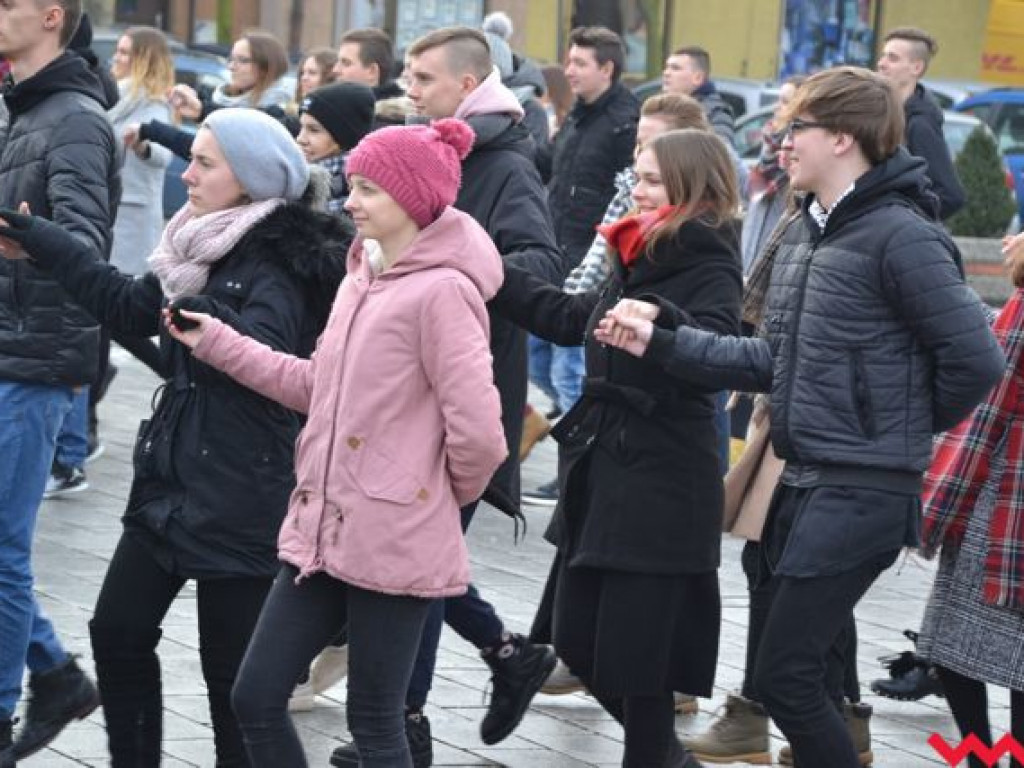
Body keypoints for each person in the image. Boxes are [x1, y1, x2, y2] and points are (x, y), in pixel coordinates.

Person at [594, 66, 1005, 768]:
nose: (780, 142)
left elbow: (978, 361)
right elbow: (767, 361)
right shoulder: (810, 232)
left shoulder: (902, 235)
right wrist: (663, 342)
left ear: (844, 138)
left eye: (797, 128)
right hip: (809, 480)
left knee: (786, 676)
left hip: (863, 488)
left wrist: (892, 426)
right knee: (790, 675)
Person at [0, 107, 351, 766]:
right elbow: (134, 307)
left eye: (205, 163)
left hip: (243, 488)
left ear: (248, 180)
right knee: (118, 632)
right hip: (174, 476)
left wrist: (206, 316)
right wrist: (46, 242)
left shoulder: (279, 259)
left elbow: (270, 357)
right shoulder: (198, 240)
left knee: (231, 681)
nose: (186, 172)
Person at [167, 118, 507, 768]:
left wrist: (422, 495)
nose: (350, 202)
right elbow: (313, 385)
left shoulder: (443, 292)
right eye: (352, 186)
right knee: (257, 694)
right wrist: (214, 341)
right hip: (321, 528)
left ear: (412, 200)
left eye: (368, 190)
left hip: (392, 539)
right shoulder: (361, 276)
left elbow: (482, 437)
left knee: (376, 725)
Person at [329, 25, 564, 768]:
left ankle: (404, 726)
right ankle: (504, 654)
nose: (409, 89)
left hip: (458, 389)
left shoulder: (506, 164)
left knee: (410, 565)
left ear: (468, 85)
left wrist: (452, 275)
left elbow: (534, 265)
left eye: (423, 78)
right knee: (408, 557)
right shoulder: (425, 148)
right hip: (399, 388)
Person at [494, 127, 743, 768]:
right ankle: (668, 759)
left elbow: (716, 345)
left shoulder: (704, 252)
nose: (638, 187)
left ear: (692, 185)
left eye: (654, 178)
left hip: (661, 481)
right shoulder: (638, 246)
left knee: (641, 665)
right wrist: (495, 275)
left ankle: (656, 757)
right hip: (608, 470)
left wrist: (660, 323)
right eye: (638, 174)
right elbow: (572, 318)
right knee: (576, 640)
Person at [0, 0, 120, 761]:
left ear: (51, 16)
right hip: (10, 345)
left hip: (38, 358)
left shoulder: (74, 118)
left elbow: (85, 244)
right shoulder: (27, 108)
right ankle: (54, 672)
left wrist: (24, 241)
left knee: (4, 551)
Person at [914, 232, 1024, 768]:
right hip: (1004, 491)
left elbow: (993, 396)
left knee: (957, 643)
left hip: (1006, 496)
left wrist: (942, 496)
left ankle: (982, 756)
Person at [525, 26, 638, 505]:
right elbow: (547, 165)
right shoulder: (577, 118)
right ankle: (563, 437)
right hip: (558, 255)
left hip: (593, 266)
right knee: (537, 358)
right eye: (568, 61)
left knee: (573, 372)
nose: (568, 70)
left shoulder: (624, 122)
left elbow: (627, 197)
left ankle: (578, 469)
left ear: (606, 69)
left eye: (579, 63)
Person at [103, 26, 175, 383]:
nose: (117, 57)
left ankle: (168, 366)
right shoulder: (114, 96)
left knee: (114, 312)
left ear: (145, 59)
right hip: (110, 214)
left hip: (130, 220)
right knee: (102, 310)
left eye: (126, 52)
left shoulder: (152, 102)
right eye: (117, 50)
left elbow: (162, 156)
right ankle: (98, 377)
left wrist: (143, 144)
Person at [877, 26, 965, 220]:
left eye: (892, 58)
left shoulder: (920, 124)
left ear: (916, 67)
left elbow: (951, 196)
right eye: (883, 56)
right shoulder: (885, 113)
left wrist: (903, 222)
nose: (881, 63)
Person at [170, 30, 291, 122]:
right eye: (231, 59)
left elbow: (244, 125)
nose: (231, 67)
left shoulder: (278, 112)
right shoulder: (220, 99)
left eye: (242, 60)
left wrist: (201, 111)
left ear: (266, 67)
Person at [296, 81, 376, 214]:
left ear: (343, 137)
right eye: (301, 127)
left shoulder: (351, 203)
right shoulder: (295, 180)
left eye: (314, 130)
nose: (300, 139)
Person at [661, 45, 735, 147]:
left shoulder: (716, 114)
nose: (666, 73)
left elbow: (721, 150)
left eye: (675, 68)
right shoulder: (661, 109)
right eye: (666, 67)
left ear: (698, 78)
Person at [334, 27, 404, 100]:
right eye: (338, 62)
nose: (335, 70)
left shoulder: (389, 110)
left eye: (346, 63)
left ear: (372, 71)